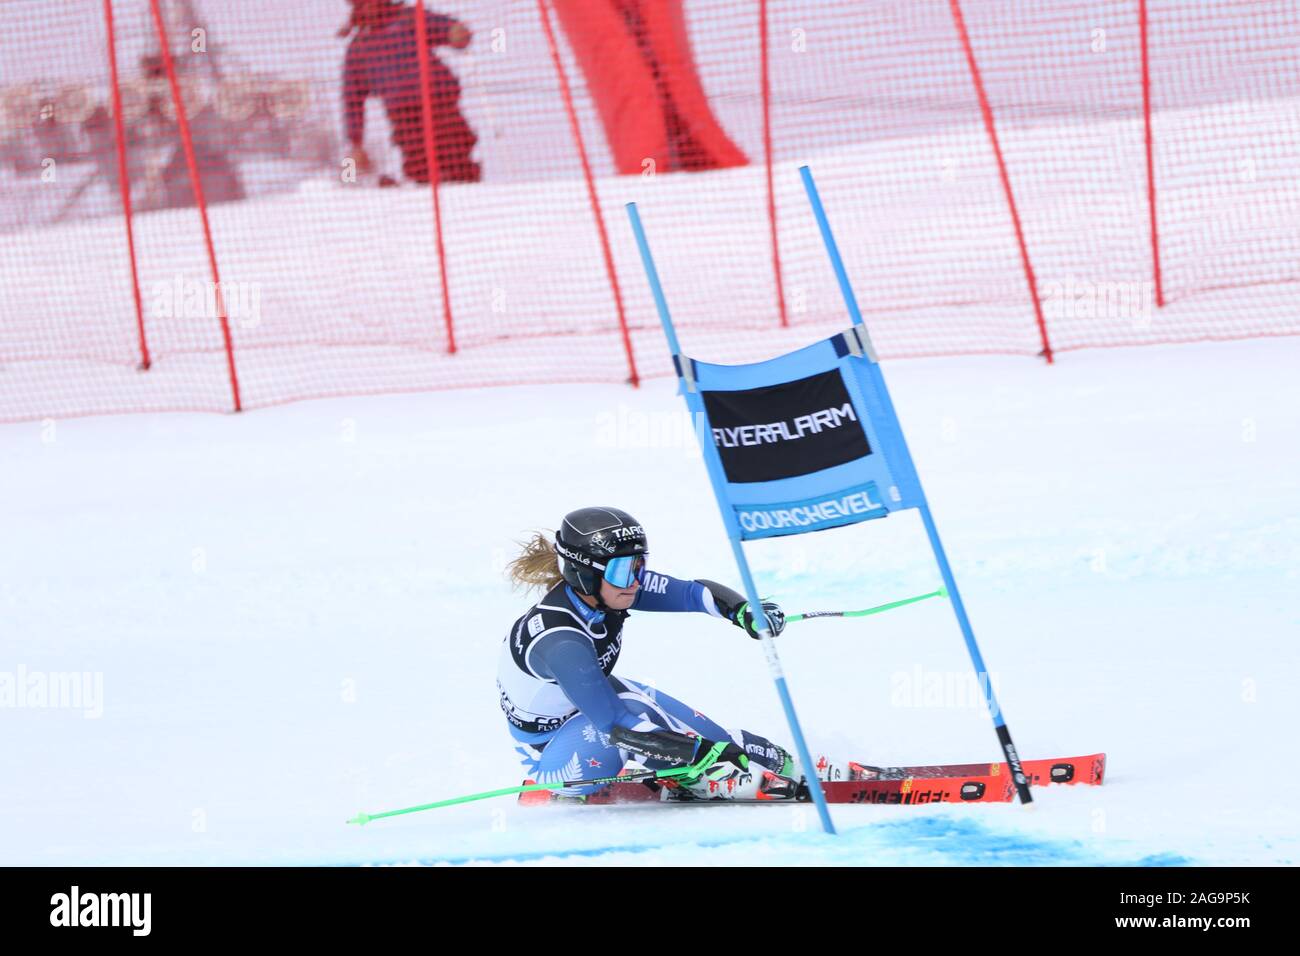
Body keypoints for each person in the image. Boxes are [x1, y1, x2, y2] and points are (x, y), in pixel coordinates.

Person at [499, 506, 797, 801]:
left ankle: (716, 760)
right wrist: (697, 754)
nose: (636, 580)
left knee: (726, 745)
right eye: (622, 570)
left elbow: (692, 593)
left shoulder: (609, 590)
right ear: (583, 573)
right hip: (554, 758)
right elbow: (617, 726)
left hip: (584, 710)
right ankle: (693, 777)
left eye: (638, 565)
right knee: (642, 714)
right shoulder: (563, 642)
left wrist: (744, 611)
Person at [340, 0, 480, 184]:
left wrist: (455, 32)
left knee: (455, 152)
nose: (370, 7)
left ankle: (466, 188)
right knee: (420, 163)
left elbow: (443, 27)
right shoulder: (358, 48)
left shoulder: (407, 19)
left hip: (438, 100)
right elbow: (352, 99)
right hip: (405, 115)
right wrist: (356, 142)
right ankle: (425, 191)